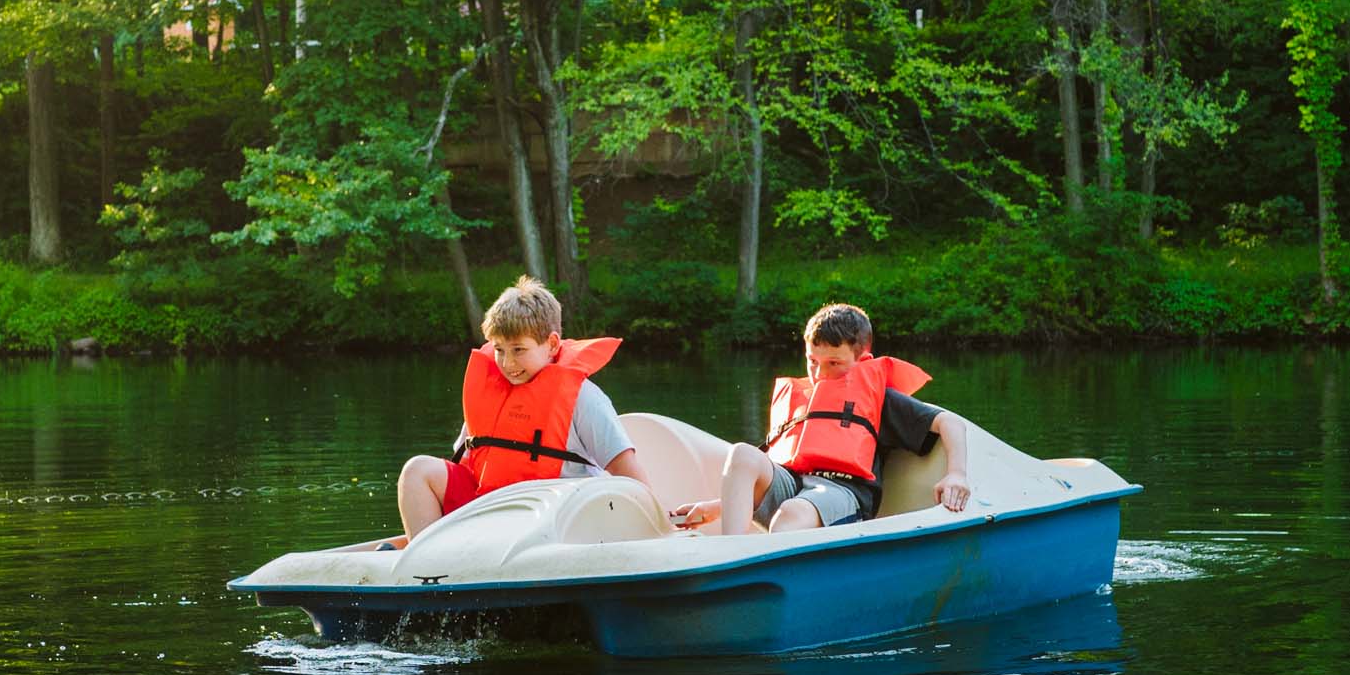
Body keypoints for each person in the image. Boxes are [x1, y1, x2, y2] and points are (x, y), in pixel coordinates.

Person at [395, 276, 661, 545]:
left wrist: (657, 525)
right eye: (499, 350)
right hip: (490, 508)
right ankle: (424, 563)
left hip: (556, 520)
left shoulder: (584, 398)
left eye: (519, 350)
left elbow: (628, 473)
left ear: (553, 344)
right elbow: (466, 462)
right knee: (417, 470)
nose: (507, 363)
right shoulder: (491, 392)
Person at [675, 302, 972, 535]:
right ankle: (732, 557)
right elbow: (784, 469)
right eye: (812, 362)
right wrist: (718, 508)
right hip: (793, 484)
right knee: (743, 453)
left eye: (834, 363)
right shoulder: (806, 399)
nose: (820, 373)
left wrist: (956, 473)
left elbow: (950, 422)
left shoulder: (879, 398)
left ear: (862, 361)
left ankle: (762, 566)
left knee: (790, 514)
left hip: (842, 493)